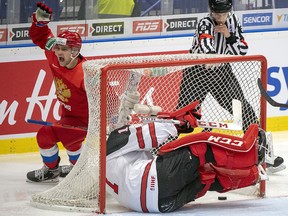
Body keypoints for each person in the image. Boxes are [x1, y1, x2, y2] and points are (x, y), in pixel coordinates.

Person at [177, 0, 285, 174]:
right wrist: (222, 49)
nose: (220, 17)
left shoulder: (233, 21)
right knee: (182, 118)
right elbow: (207, 50)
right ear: (211, 11)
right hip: (197, 73)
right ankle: (159, 150)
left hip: (223, 73)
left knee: (244, 110)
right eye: (217, 14)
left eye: (224, 13)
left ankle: (262, 154)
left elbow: (242, 51)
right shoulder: (205, 23)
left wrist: (229, 36)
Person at [106, 101, 268, 213]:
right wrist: (179, 124)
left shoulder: (103, 165)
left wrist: (173, 122)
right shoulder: (114, 139)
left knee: (206, 175)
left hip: (163, 205)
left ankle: (253, 175)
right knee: (201, 146)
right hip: (157, 181)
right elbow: (153, 135)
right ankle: (252, 153)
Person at [26, 2, 88, 183]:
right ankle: (63, 168)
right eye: (58, 48)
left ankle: (78, 168)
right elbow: (41, 38)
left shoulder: (86, 73)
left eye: (64, 49)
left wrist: (108, 121)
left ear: (75, 52)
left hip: (86, 121)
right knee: (49, 136)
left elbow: (107, 98)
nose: (58, 52)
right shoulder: (54, 55)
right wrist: (39, 24)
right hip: (68, 115)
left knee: (51, 135)